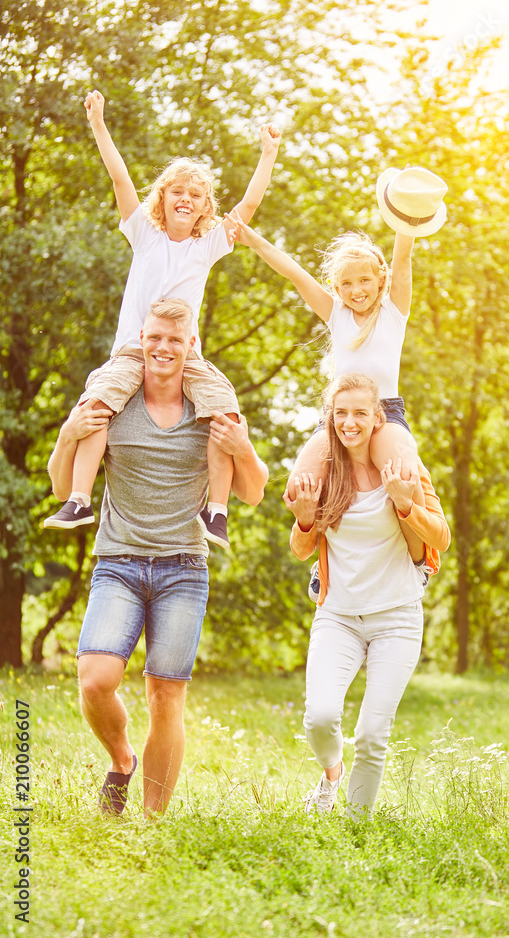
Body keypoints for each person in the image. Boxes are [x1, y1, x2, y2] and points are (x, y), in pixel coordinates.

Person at [47, 298, 268, 817]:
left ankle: (152, 820)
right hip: (118, 563)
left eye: (175, 339)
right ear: (140, 342)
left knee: (166, 697)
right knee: (95, 679)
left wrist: (245, 448)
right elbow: (62, 484)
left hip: (183, 569)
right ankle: (121, 759)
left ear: (191, 345)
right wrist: (66, 435)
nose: (163, 348)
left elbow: (254, 492)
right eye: (155, 338)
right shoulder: (114, 405)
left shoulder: (210, 410)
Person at [44, 89, 280, 551]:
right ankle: (78, 499)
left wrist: (268, 153)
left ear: (204, 205)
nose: (186, 199)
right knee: (96, 406)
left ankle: (215, 511)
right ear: (163, 197)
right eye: (177, 191)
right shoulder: (145, 234)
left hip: (186, 354)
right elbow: (119, 178)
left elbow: (248, 209)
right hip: (134, 350)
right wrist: (97, 122)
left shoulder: (206, 245)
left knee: (223, 408)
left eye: (196, 194)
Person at [225, 165, 447, 507]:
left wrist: (408, 204)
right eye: (346, 283)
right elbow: (293, 271)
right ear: (336, 287)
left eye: (364, 281)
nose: (356, 290)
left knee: (404, 478)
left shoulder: (393, 311)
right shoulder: (336, 314)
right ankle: (322, 554)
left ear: (380, 280)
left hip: (385, 411)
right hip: (338, 413)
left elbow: (402, 256)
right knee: (299, 487)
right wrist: (251, 237)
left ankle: (420, 558)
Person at [285, 373, 450, 818]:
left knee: (373, 734)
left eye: (360, 413)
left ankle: (357, 828)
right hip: (338, 617)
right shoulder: (326, 473)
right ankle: (331, 775)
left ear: (378, 418)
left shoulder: (400, 469)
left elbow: (442, 536)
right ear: (330, 419)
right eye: (341, 413)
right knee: (318, 718)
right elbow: (301, 551)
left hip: (396, 617)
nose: (349, 422)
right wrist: (304, 519)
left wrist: (404, 502)